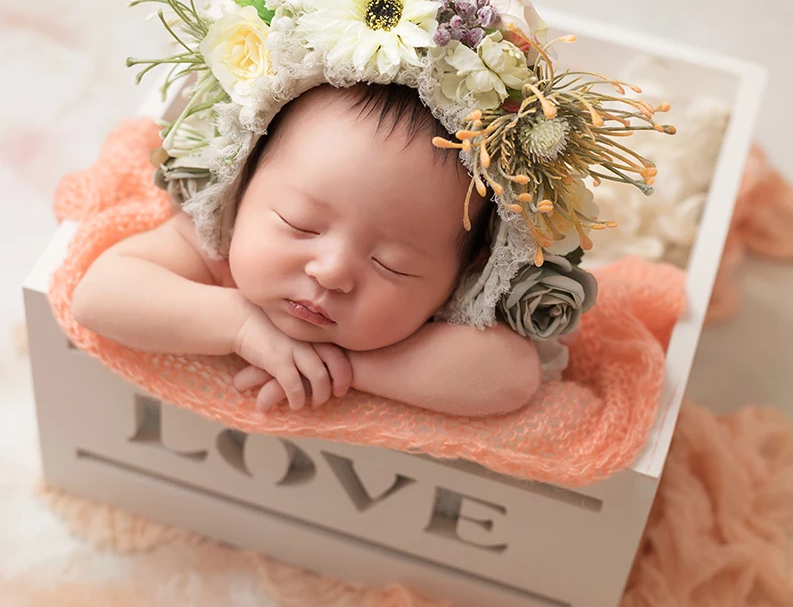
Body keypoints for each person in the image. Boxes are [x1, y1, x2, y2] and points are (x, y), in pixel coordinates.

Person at [71, 83, 543, 416]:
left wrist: (343, 366)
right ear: (244, 181)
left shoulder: (441, 312)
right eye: (300, 225)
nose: (331, 270)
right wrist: (241, 326)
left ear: (465, 280)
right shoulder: (216, 238)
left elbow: (512, 376)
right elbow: (100, 295)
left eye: (391, 265)